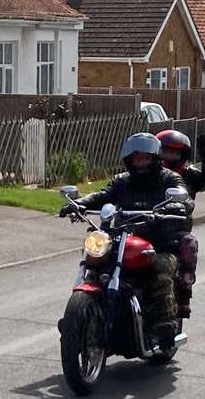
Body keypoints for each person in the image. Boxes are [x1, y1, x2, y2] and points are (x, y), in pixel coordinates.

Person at [61, 133, 192, 342]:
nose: (140, 162)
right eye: (136, 158)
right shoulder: (123, 181)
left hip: (160, 243)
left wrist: (178, 203)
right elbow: (103, 195)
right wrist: (79, 204)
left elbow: (181, 193)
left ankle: (164, 328)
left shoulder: (169, 178)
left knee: (158, 270)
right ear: (129, 160)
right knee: (97, 262)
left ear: (155, 158)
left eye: (145, 158)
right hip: (123, 239)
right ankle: (84, 319)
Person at [156, 130, 205, 320]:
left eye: (175, 153)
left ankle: (183, 294)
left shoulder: (189, 175)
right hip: (146, 227)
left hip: (175, 232)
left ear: (183, 155)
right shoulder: (149, 173)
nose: (170, 157)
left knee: (189, 244)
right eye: (166, 152)